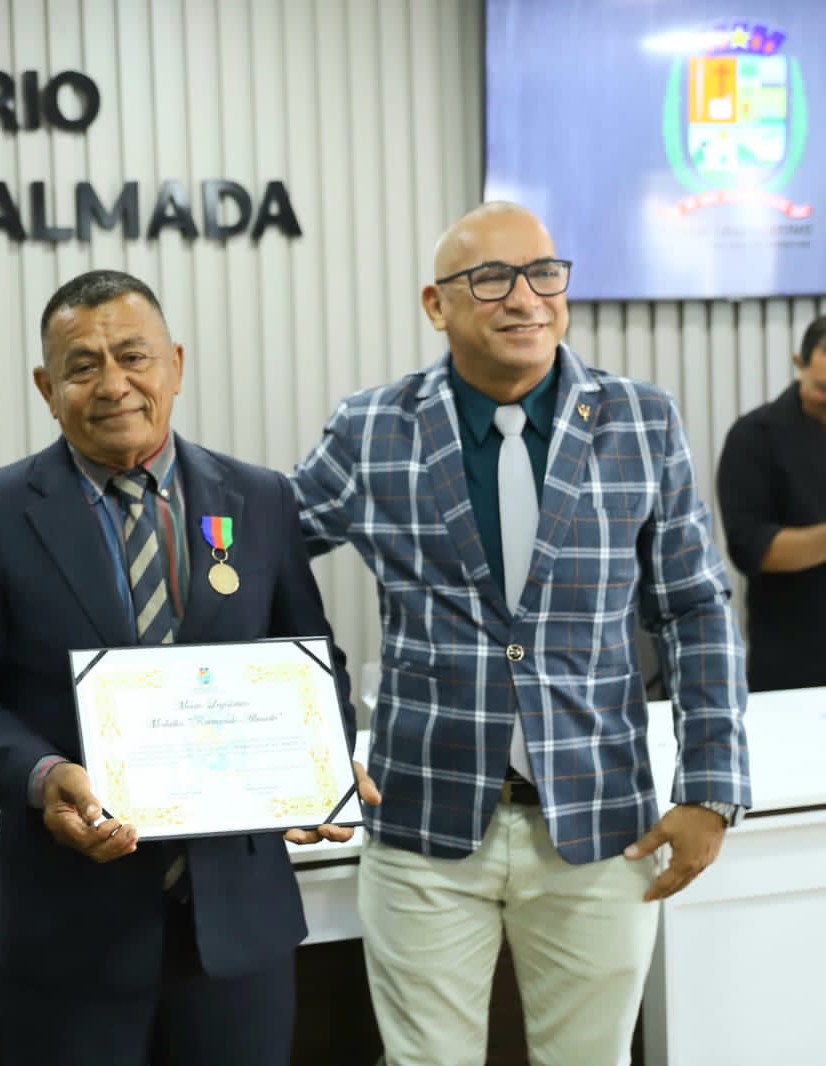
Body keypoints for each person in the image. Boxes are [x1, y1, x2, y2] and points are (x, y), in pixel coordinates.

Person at [292, 202, 751, 1066]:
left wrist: (711, 787)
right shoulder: (371, 429)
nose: (525, 297)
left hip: (601, 827)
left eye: (544, 273)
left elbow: (695, 607)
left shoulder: (641, 422)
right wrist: (301, 739)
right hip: (422, 827)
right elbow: (254, 564)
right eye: (491, 279)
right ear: (437, 305)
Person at [0, 269, 359, 1066]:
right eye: (83, 366)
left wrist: (317, 764)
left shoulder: (260, 500)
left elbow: (311, 661)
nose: (113, 384)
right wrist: (43, 776)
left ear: (176, 365)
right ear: (46, 388)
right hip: (65, 933)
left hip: (239, 929)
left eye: (133, 356)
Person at [715, 315, 826, 692]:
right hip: (795, 659)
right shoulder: (754, 437)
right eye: (822, 387)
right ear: (800, 362)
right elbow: (753, 550)